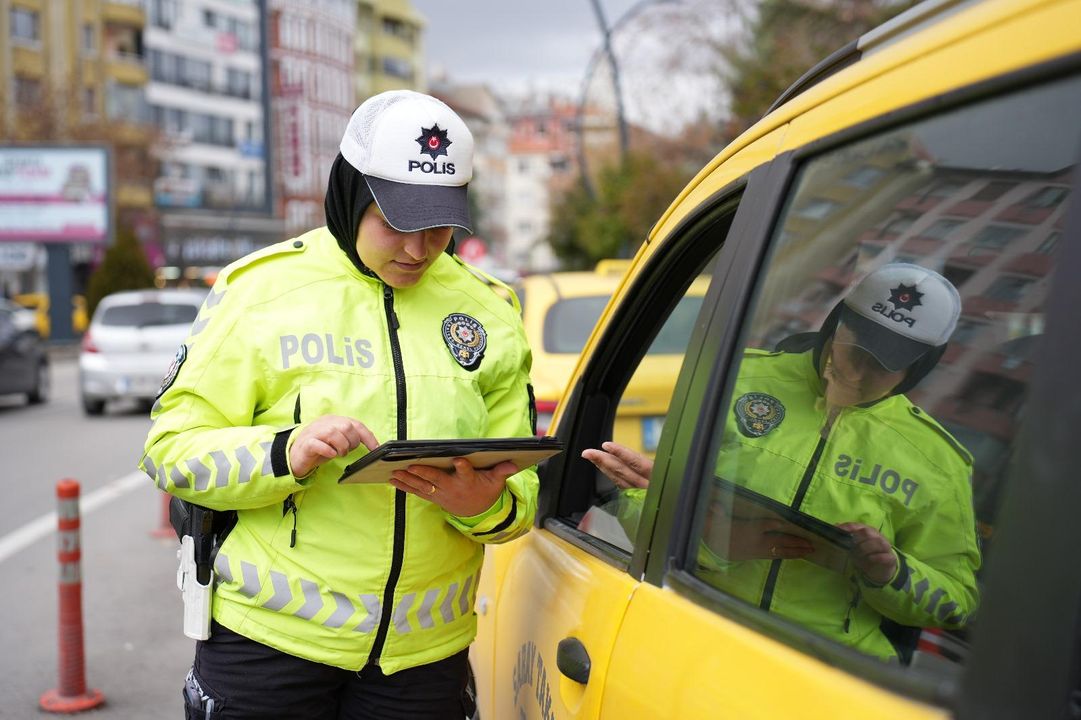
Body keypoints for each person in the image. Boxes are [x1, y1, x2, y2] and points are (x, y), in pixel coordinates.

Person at [140, 90, 539, 719]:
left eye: (439, 226)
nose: (419, 248)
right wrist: (283, 453)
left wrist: (485, 506)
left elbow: (522, 493)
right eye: (397, 223)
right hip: (268, 650)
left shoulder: (490, 308)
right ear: (350, 193)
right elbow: (170, 451)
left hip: (423, 662)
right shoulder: (260, 289)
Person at [583, 263, 980, 662]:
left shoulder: (936, 462)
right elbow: (644, 498)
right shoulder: (733, 379)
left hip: (831, 674)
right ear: (835, 324)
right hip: (697, 633)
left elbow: (955, 601)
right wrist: (704, 539)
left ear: (921, 368)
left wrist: (891, 574)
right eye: (855, 349)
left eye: (884, 365)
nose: (859, 373)